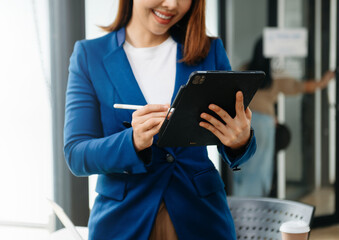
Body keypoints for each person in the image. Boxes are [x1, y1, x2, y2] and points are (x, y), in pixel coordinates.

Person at [64, 0, 256, 239]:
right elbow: (76, 153)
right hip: (123, 221)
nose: (171, 4)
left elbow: (237, 146)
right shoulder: (89, 55)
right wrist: (131, 142)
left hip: (201, 218)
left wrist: (240, 140)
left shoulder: (209, 50)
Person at [232, 37, 335, 197]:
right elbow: (299, 86)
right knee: (259, 169)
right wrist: (323, 82)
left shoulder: (244, 69)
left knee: (241, 166)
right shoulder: (274, 74)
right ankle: (253, 210)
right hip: (264, 125)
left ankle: (239, 209)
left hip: (243, 122)